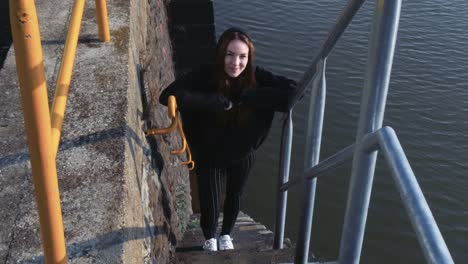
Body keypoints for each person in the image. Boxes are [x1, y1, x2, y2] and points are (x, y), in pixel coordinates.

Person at [159, 27, 299, 251]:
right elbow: (167, 96)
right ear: (220, 54)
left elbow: (294, 92)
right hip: (210, 155)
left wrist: (251, 96)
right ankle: (209, 238)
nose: (236, 62)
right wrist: (214, 101)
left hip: (243, 154)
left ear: (249, 58)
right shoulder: (205, 75)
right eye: (229, 55)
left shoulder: (257, 77)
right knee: (210, 201)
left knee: (235, 195)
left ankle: (225, 235)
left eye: (242, 56)